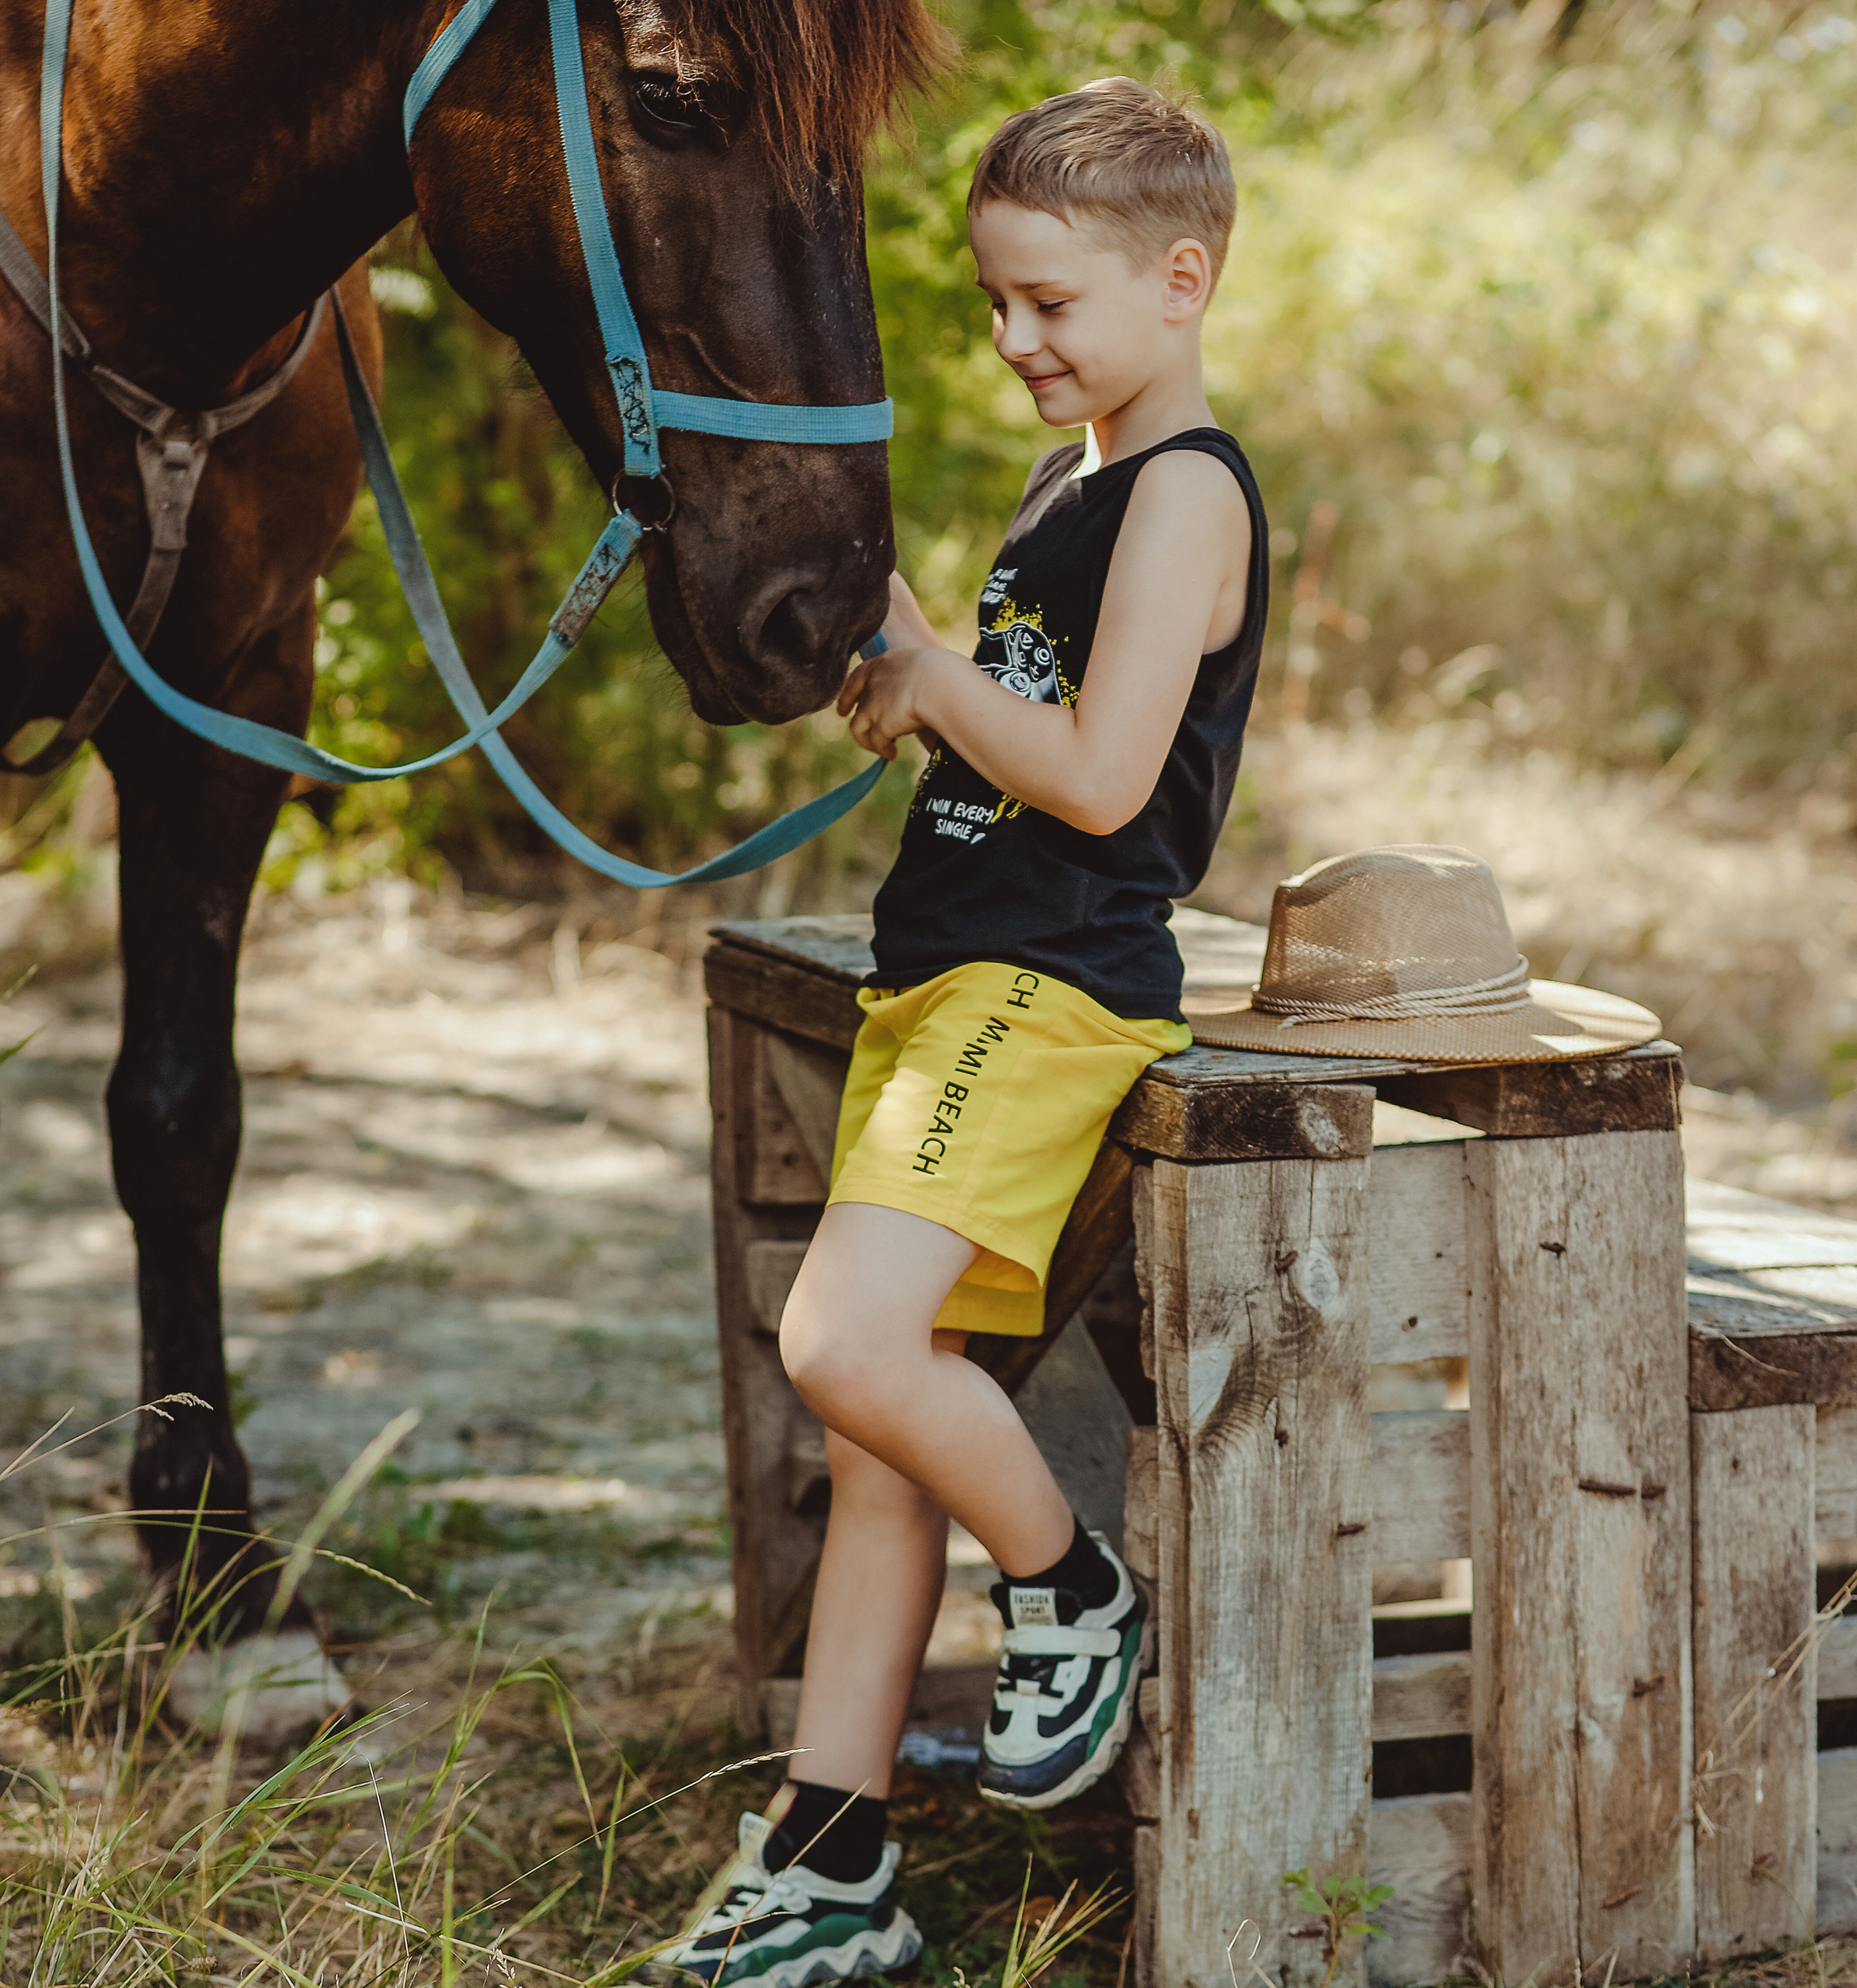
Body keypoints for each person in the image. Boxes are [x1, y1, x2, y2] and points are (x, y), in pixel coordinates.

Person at [664, 75, 1269, 1988]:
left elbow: (1099, 781)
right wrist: (917, 678)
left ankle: (1076, 1592)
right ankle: (830, 1858)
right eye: (995, 304)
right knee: (878, 1443)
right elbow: (1023, 715)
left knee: (837, 1344)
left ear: (1179, 281)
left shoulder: (1181, 495)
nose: (1013, 341)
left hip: (1044, 986)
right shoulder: (1072, 483)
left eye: (1051, 306)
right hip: (941, 979)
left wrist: (942, 677)